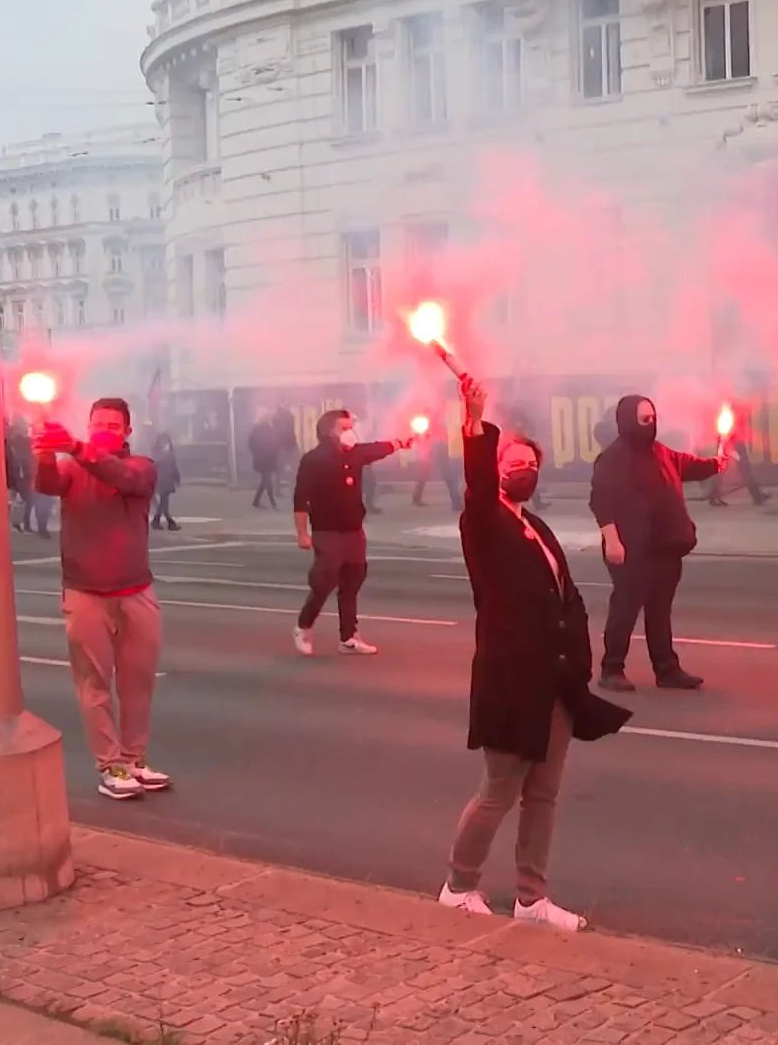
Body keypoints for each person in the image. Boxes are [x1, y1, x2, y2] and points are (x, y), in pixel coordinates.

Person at [436, 374, 632, 931]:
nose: (525, 469)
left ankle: (531, 897)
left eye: (531, 461)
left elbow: (563, 598)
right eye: (513, 460)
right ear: (495, 467)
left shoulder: (535, 525)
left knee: (543, 795)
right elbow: (475, 489)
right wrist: (473, 421)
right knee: (499, 791)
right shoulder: (485, 522)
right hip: (512, 679)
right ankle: (459, 884)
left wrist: (579, 664)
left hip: (554, 682)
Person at [33, 398, 169, 799]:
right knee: (94, 685)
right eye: (98, 423)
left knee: (138, 683)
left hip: (136, 591)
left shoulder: (140, 466)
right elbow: (46, 485)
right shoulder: (70, 468)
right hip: (85, 592)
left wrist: (76, 447)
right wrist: (43, 449)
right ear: (88, 424)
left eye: (113, 425)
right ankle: (110, 765)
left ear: (127, 432)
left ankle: (133, 759)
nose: (105, 429)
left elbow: (126, 479)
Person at [589, 395, 727, 692]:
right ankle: (611, 669)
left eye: (653, 418)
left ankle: (667, 670)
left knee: (660, 612)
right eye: (644, 419)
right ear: (627, 420)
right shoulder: (613, 458)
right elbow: (601, 502)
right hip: (631, 549)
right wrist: (612, 541)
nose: (650, 424)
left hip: (664, 547)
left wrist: (715, 464)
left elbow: (687, 466)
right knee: (625, 609)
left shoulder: (660, 452)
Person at [291, 410, 415, 656]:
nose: (350, 433)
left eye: (351, 427)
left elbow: (379, 448)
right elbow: (300, 499)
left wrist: (403, 441)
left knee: (353, 579)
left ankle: (348, 637)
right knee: (324, 581)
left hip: (354, 530)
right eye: (343, 428)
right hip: (327, 531)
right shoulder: (313, 459)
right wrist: (302, 534)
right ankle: (304, 626)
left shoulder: (356, 454)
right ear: (328, 432)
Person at [248, 414, 282, 509]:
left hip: (262, 459)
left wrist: (256, 453)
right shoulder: (268, 430)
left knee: (265, 481)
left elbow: (251, 444)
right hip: (267, 459)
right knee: (268, 481)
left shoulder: (256, 430)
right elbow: (275, 444)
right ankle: (273, 503)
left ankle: (256, 501)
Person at [150, 430, 181, 532]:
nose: (166, 444)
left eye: (167, 441)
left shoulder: (170, 453)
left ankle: (157, 521)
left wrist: (177, 478)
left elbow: (174, 467)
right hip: (161, 481)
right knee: (164, 503)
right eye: (164, 442)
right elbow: (155, 464)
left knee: (163, 502)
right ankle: (170, 523)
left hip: (168, 481)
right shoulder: (158, 453)